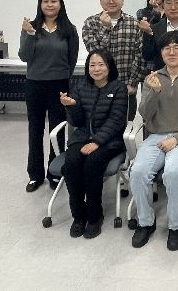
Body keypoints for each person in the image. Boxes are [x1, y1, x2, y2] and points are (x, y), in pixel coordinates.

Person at [130, 31, 178, 251]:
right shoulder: (152, 78)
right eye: (166, 48)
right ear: (161, 52)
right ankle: (145, 222)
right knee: (138, 172)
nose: (171, 52)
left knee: (173, 173)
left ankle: (176, 226)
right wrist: (154, 92)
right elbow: (145, 114)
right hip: (155, 136)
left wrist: (177, 139)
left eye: (177, 48)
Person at [59, 49, 127, 239]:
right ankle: (78, 216)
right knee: (71, 164)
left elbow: (116, 121)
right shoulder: (80, 86)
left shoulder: (118, 88)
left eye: (101, 64)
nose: (96, 69)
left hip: (110, 140)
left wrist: (97, 141)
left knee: (91, 164)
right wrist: (71, 106)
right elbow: (77, 121)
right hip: (82, 136)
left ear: (109, 66)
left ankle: (95, 216)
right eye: (92, 65)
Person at [18, 0, 79, 192]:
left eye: (54, 1)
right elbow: (24, 56)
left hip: (59, 85)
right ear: (40, 4)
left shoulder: (69, 29)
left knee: (58, 130)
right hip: (35, 84)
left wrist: (63, 78)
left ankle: (55, 172)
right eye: (46, 1)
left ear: (60, 4)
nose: (50, 5)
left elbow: (71, 60)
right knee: (35, 130)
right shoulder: (31, 27)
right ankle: (35, 175)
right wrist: (29, 34)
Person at [82, 0, 147, 120]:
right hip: (98, 88)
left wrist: (132, 83)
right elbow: (95, 54)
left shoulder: (134, 23)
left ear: (123, 0)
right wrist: (105, 28)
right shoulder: (90, 23)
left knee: (126, 126)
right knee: (99, 125)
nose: (111, 1)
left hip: (126, 88)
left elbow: (140, 55)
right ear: (100, 0)